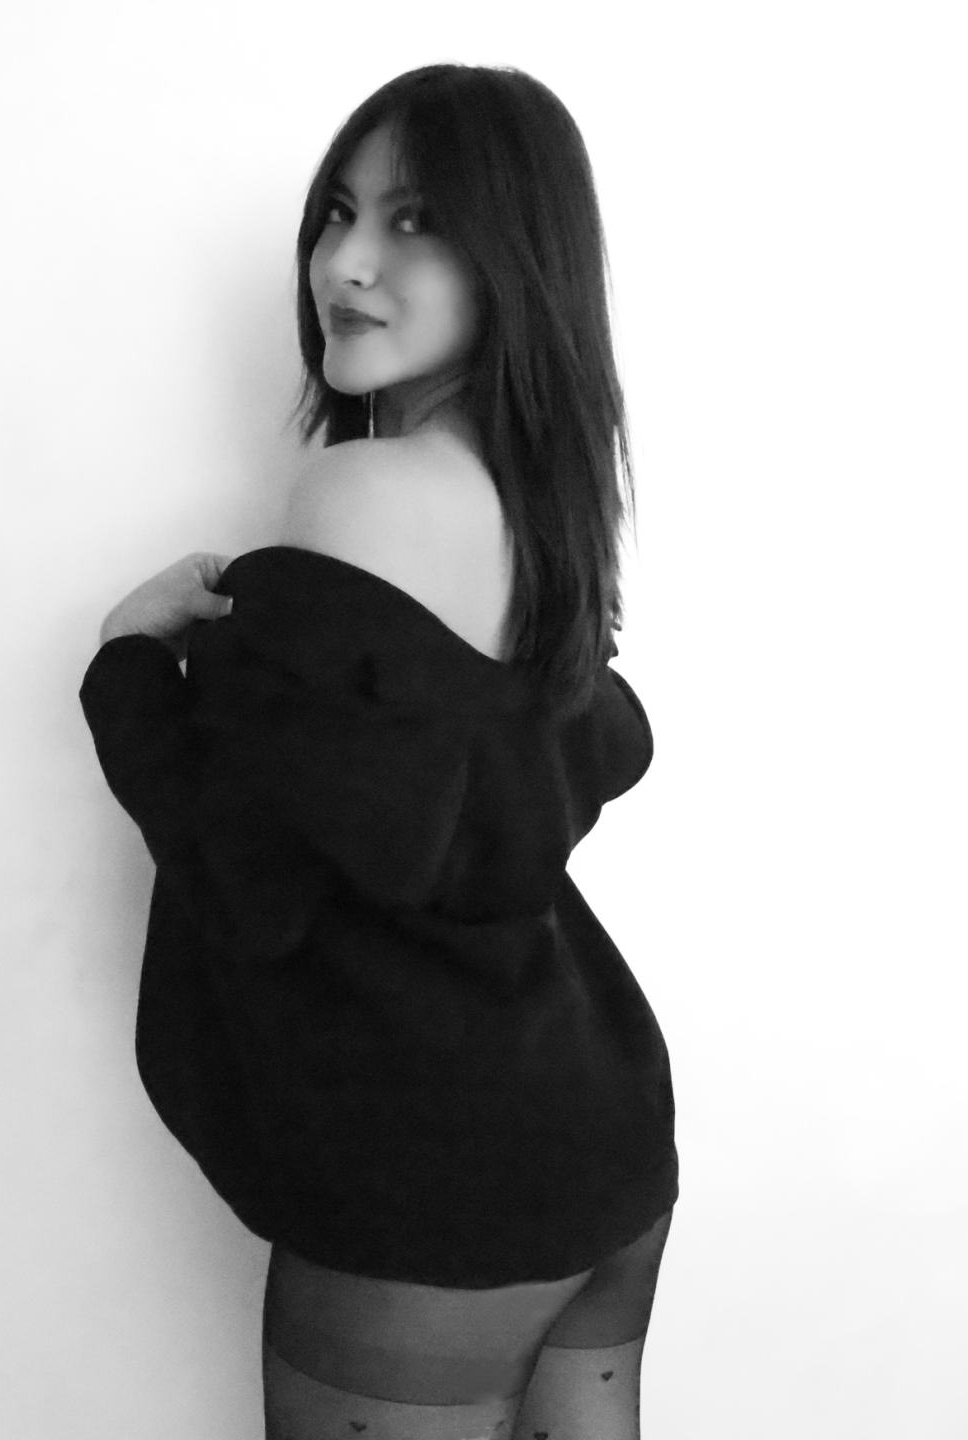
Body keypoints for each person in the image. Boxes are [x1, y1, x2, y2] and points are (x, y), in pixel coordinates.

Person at [81, 63, 675, 1440]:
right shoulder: (549, 510)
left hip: (438, 1171)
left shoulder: (362, 492)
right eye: (338, 214)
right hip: (598, 1124)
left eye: (416, 222)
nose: (344, 264)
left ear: (515, 259)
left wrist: (128, 666)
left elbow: (254, 873)